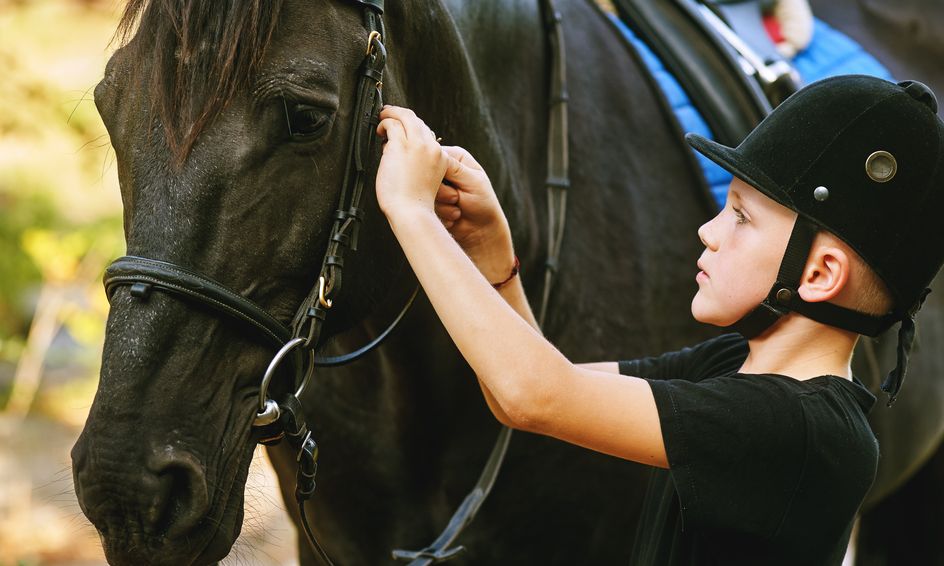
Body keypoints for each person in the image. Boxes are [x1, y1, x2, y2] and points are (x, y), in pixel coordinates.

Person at [373, 75, 944, 565]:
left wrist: (410, 211)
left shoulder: (802, 432)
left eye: (741, 217)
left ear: (819, 274)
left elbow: (534, 394)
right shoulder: (732, 365)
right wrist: (493, 255)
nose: (709, 231)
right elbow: (526, 394)